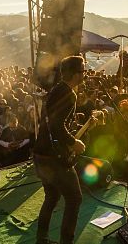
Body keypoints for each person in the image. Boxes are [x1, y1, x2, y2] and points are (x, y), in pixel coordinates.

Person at [33, 56, 87, 244]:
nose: (85, 74)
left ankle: (42, 239)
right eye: (83, 71)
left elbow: (53, 120)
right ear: (74, 74)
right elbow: (56, 125)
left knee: (52, 196)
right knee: (74, 199)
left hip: (40, 154)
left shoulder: (55, 90)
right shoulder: (69, 94)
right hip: (53, 158)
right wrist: (73, 142)